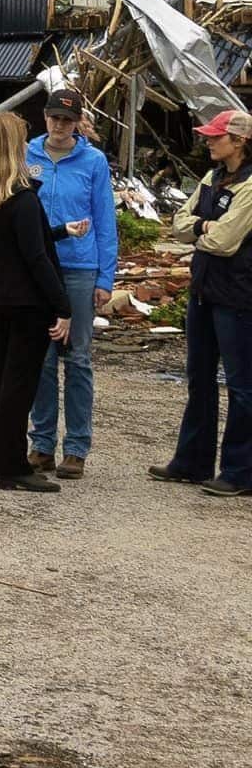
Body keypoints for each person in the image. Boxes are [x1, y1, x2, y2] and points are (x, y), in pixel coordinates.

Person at [149, 109, 252, 497]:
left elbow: (225, 242)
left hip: (240, 295)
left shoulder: (250, 185)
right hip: (205, 292)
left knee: (242, 386)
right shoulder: (212, 178)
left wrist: (200, 228)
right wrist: (203, 228)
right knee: (200, 379)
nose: (207, 141)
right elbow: (176, 222)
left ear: (240, 141)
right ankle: (192, 461)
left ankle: (240, 470)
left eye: (215, 136)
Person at [0, 111, 71, 493]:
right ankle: (12, 463)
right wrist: (63, 306)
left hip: (1, 295)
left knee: (0, 377)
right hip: (29, 301)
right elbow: (36, 257)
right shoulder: (24, 199)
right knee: (19, 382)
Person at [25, 88, 117, 479]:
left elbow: (104, 219)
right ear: (44, 118)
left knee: (77, 357)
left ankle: (76, 447)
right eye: (54, 118)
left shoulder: (93, 161)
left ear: (77, 121)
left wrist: (106, 277)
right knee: (41, 359)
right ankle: (42, 443)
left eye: (67, 119)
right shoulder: (27, 155)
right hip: (38, 266)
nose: (60, 126)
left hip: (79, 267)